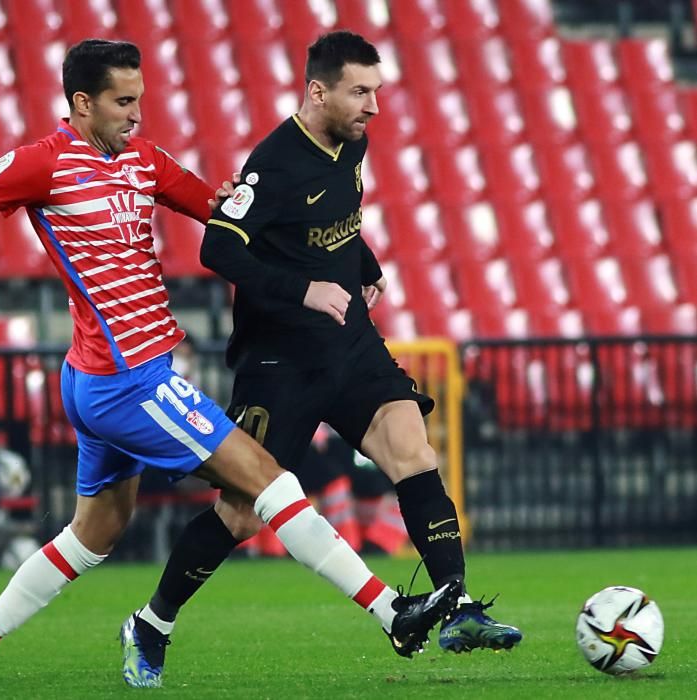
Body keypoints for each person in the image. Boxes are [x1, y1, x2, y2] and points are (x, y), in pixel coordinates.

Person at [0, 39, 458, 691]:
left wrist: (289, 231)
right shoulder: (41, 165)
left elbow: (225, 220)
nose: (136, 115)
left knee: (95, 532)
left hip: (94, 379)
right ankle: (388, 610)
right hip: (128, 381)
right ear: (82, 103)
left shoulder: (143, 159)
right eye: (122, 102)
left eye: (139, 100)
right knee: (266, 479)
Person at [122, 30, 522, 685]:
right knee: (241, 513)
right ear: (317, 91)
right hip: (279, 362)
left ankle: (455, 608)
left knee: (411, 448)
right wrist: (304, 288)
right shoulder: (274, 164)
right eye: (359, 92)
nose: (372, 106)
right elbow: (218, 249)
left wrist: (364, 263)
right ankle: (151, 623)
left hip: (351, 345)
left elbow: (343, 215)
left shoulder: (351, 142)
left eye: (376, 91)